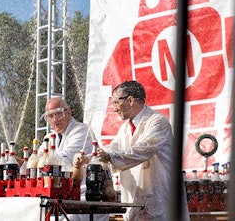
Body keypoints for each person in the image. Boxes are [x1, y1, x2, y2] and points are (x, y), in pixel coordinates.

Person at [74, 80, 190, 221]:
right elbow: (113, 148)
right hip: (137, 200)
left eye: (116, 103)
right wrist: (88, 158)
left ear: (130, 100)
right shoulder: (125, 128)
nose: (114, 108)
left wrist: (110, 156)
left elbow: (143, 149)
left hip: (160, 198)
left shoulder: (157, 121)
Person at [39, 97, 110, 221]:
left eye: (58, 114)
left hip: (86, 199)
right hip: (62, 200)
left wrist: (37, 162)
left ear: (68, 112)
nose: (54, 120)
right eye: (50, 116)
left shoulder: (82, 131)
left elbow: (62, 160)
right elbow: (35, 161)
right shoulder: (49, 137)